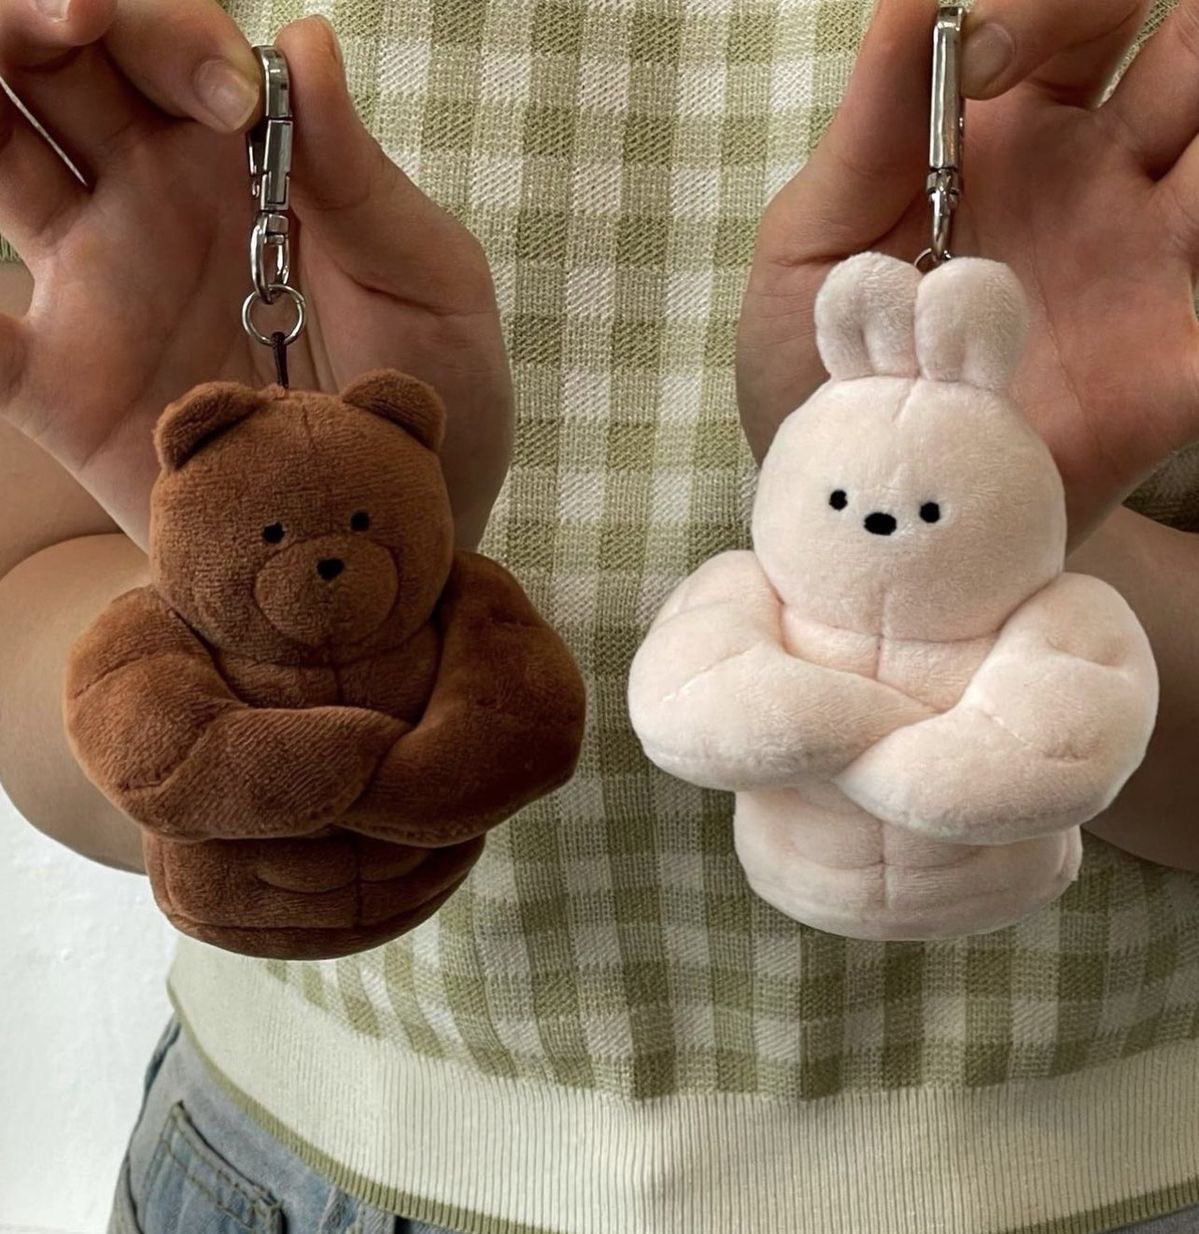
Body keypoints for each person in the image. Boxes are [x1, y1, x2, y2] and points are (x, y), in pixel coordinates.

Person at [0, 0, 1197, 1229]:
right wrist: (289, 618)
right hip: (306, 1152)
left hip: (1085, 1166)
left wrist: (1002, 525)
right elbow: (33, 605)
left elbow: (559, 724)